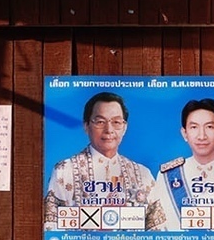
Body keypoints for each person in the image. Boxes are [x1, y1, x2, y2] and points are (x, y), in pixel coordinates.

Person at [145, 96, 214, 232]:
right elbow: (159, 230)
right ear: (184, 133)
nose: (201, 136)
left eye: (209, 127)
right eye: (194, 127)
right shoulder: (167, 176)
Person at [43, 91, 154, 224]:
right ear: (86, 126)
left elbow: (158, 229)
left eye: (116, 122)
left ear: (124, 128)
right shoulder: (65, 171)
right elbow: (50, 227)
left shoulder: (143, 174)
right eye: (100, 121)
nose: (109, 129)